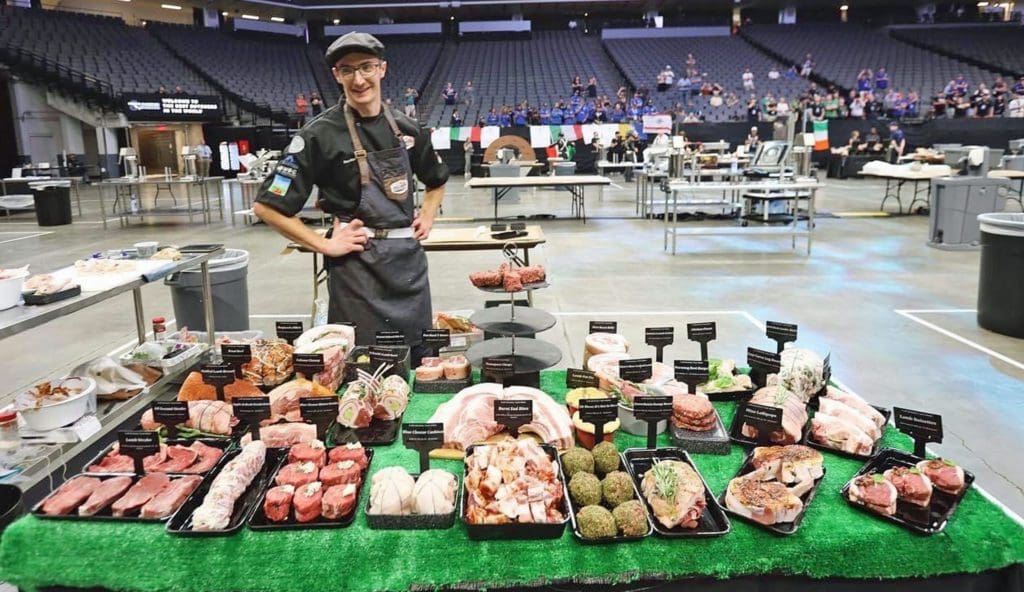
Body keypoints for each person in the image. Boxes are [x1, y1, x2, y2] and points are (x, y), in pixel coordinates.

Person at [252, 32, 449, 354]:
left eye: (367, 67)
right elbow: (267, 207)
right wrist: (325, 245)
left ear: (382, 69)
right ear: (336, 75)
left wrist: (427, 215)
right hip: (356, 272)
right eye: (347, 70)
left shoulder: (409, 129)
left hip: (407, 268)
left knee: (419, 358)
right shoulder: (317, 135)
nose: (359, 79)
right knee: (362, 363)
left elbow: (437, 179)